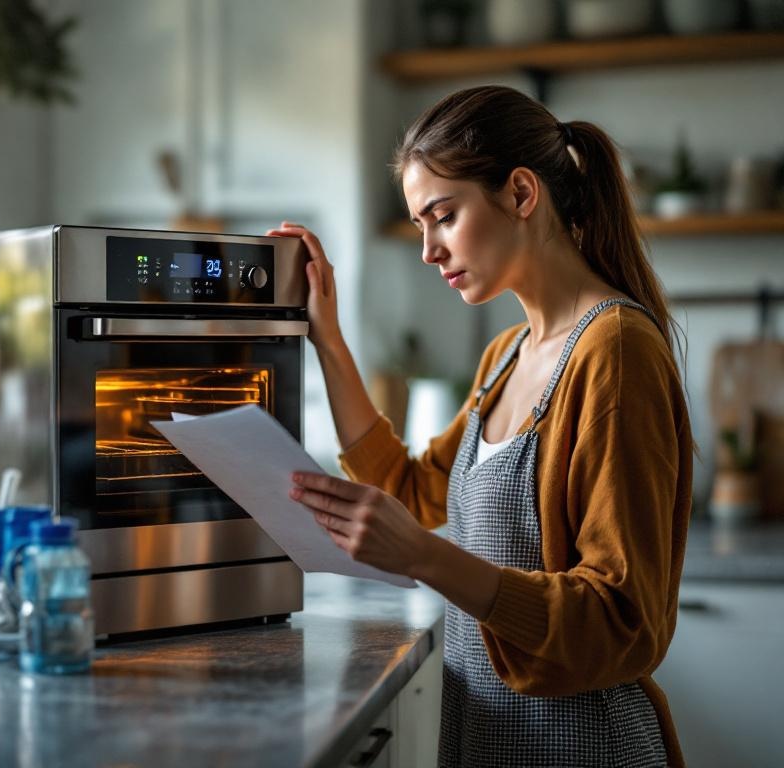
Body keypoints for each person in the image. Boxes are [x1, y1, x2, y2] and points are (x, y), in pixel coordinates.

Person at [267, 85, 692, 767]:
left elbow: (621, 621)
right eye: (420, 225)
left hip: (583, 748)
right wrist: (329, 340)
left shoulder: (614, 351)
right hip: (490, 741)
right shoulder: (506, 356)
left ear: (521, 194)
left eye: (443, 216)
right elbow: (409, 492)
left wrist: (424, 557)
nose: (429, 250)